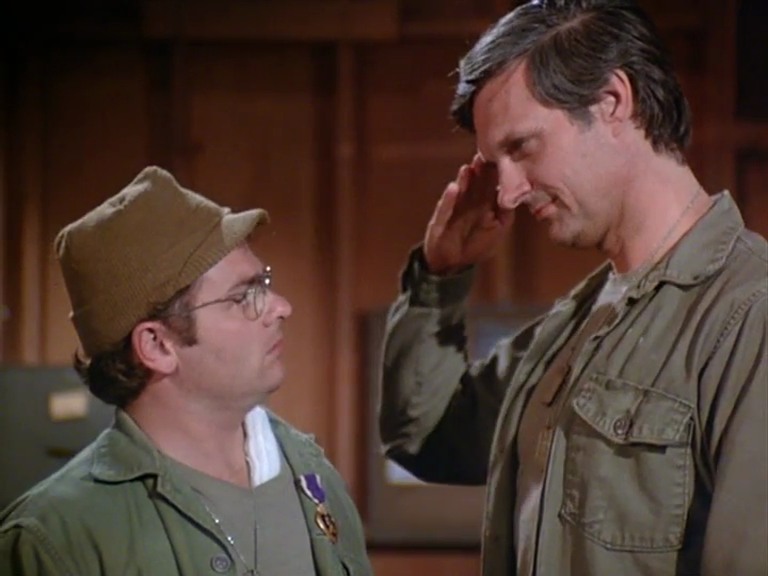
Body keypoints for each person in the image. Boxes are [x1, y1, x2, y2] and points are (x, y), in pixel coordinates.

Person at [378, 1, 767, 575]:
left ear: (612, 101)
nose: (506, 192)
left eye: (522, 147)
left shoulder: (749, 313)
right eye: (495, 162)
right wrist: (440, 279)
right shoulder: (578, 321)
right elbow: (427, 438)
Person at [0, 166, 373, 576]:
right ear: (157, 346)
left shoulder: (312, 474)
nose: (282, 307)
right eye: (243, 296)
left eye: (263, 284)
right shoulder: (55, 540)